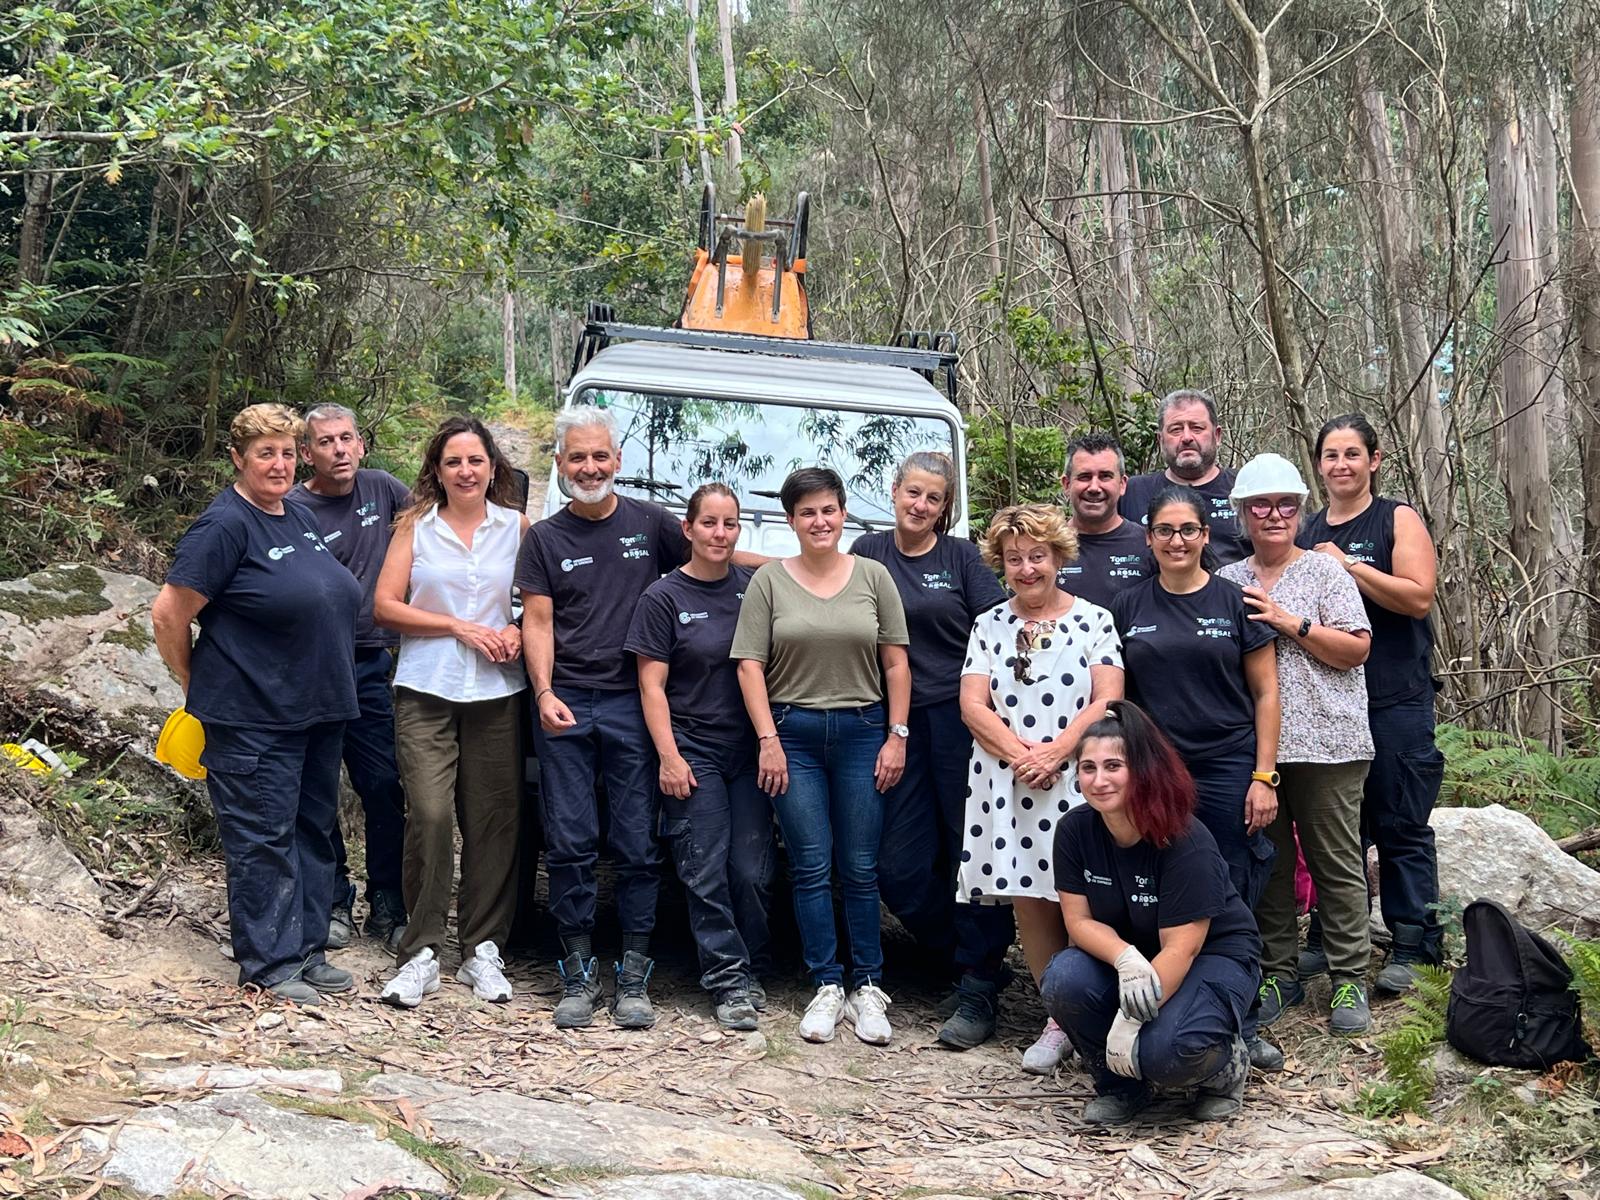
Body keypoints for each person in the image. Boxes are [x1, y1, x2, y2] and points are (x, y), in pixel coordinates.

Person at [151, 403, 362, 1005]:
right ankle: (269, 963)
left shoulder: (292, 513)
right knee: (263, 838)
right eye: (265, 453)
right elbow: (169, 614)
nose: (279, 463)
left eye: (288, 452)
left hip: (317, 710)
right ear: (238, 458)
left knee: (311, 831)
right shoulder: (225, 526)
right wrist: (195, 683)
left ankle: (307, 949)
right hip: (252, 716)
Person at [517, 405, 693, 1030]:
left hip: (633, 704)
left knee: (637, 843)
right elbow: (536, 622)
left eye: (600, 456)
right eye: (577, 458)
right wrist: (542, 691)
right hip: (565, 701)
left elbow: (712, 562)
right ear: (560, 466)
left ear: (617, 461)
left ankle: (635, 970)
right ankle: (576, 967)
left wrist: (795, 571)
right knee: (568, 841)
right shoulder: (544, 538)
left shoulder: (652, 524)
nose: (589, 467)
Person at [732, 467, 911, 1046]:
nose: (820, 521)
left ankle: (868, 986)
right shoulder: (769, 584)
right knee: (811, 865)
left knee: (860, 866)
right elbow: (749, 666)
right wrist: (768, 741)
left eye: (829, 510)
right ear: (791, 520)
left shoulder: (874, 576)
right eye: (807, 512)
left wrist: (897, 734)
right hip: (793, 735)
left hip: (864, 731)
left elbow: (896, 664)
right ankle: (827, 984)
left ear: (844, 515)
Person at [849, 452, 1016, 1050]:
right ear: (894, 492)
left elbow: (1000, 626)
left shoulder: (962, 558)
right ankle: (958, 953)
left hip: (959, 717)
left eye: (933, 498)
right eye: (912, 493)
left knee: (971, 848)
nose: (920, 505)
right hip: (888, 721)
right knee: (897, 861)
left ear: (945, 508)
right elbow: (809, 578)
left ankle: (979, 980)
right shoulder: (869, 552)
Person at [959, 503, 1123, 1074]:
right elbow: (972, 704)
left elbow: (1108, 699)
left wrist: (1058, 752)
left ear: (1058, 557)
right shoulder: (989, 624)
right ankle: (1059, 1020)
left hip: (1080, 777)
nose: (1026, 569)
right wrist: (1023, 756)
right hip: (1008, 781)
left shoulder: (1095, 620)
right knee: (1030, 897)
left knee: (1082, 894)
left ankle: (1098, 1011)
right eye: (1014, 559)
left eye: (1037, 556)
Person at [1041, 701, 1260, 1125]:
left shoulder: (1182, 838)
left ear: (1140, 769)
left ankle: (1225, 1068)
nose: (1099, 780)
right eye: (1088, 768)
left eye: (1113, 766)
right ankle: (1120, 1085)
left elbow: (1182, 947)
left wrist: (1131, 1020)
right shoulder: (1075, 831)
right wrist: (1124, 957)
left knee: (1164, 1051)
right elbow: (1078, 922)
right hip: (1133, 955)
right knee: (1064, 978)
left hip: (1209, 958)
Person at [373, 416, 527, 1009]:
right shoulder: (416, 526)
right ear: (437, 471)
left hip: (496, 691)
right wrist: (456, 626)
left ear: (493, 468)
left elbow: (538, 604)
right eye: (454, 462)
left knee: (494, 820)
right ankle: (422, 951)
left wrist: (515, 630)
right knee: (431, 815)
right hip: (426, 688)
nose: (466, 471)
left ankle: (483, 949)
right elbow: (385, 606)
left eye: (476, 461)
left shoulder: (516, 527)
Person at [1218, 454, 1374, 1040]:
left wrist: (1288, 621)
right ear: (1243, 514)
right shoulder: (1229, 581)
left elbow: (1356, 650)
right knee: (1271, 865)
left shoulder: (1327, 573)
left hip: (1331, 741)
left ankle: (1348, 975)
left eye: (1286, 504)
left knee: (1336, 863)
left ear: (1300, 511)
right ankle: (1278, 972)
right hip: (1259, 749)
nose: (1274, 515)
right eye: (1261, 505)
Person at [1299, 414, 1443, 994]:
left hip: (1396, 696)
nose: (1341, 465)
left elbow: (1418, 596)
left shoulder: (1395, 518)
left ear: (1374, 460)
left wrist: (1350, 566)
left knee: (1402, 822)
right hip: (1333, 704)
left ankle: (1414, 942)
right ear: (1319, 465)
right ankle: (1336, 936)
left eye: (1352, 454)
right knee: (1339, 828)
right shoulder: (1306, 530)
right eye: (1330, 455)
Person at [625, 483, 774, 1031]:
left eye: (729, 524)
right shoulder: (662, 597)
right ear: (686, 530)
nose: (719, 533)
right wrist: (668, 755)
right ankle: (728, 979)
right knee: (704, 866)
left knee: (752, 870)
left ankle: (754, 965)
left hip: (752, 748)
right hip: (693, 748)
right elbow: (651, 686)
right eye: (708, 523)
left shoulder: (755, 589)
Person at [1109, 484, 1280, 910]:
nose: (1177, 541)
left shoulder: (1236, 601)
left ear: (1205, 534)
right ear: (1148, 537)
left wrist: (1263, 778)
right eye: (1164, 531)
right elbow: (1117, 696)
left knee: (1231, 874)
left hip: (1228, 765)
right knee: (1160, 871)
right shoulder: (1127, 605)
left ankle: (1233, 967)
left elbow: (1267, 692)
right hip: (1157, 765)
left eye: (1188, 530)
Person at [292, 403, 411, 950]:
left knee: (382, 785)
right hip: (313, 666)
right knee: (317, 791)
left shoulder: (384, 489)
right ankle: (334, 899)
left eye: (346, 439)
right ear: (306, 453)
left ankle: (387, 899)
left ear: (361, 444)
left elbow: (431, 533)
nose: (338, 450)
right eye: (325, 442)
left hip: (370, 664)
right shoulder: (292, 508)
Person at [1119, 389, 1248, 565]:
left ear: (1217, 436)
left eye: (1197, 428)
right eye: (1176, 430)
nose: (1187, 437)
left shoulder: (1246, 487)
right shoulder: (1131, 492)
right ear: (1160, 440)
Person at [1058, 432, 1150, 607]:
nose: (1094, 487)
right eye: (1084, 477)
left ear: (1122, 484)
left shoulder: (1149, 545)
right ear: (1067, 485)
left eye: (1105, 476)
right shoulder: (1046, 545)